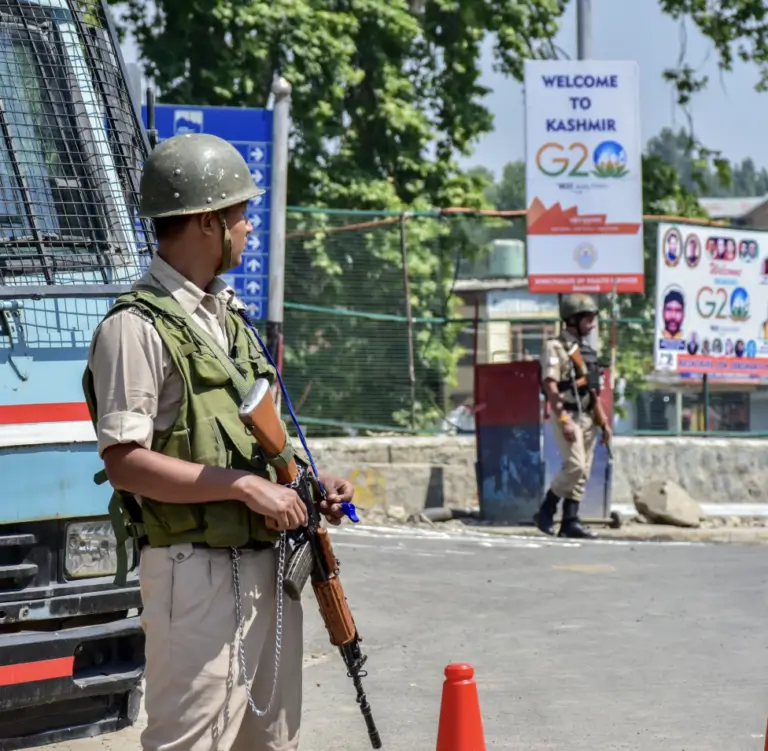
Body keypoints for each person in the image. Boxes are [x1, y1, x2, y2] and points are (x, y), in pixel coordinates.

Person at [82, 133, 354, 751]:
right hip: (195, 574)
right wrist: (245, 488)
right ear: (208, 222)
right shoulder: (135, 327)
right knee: (191, 743)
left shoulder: (228, 319)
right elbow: (124, 462)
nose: (249, 227)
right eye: (239, 214)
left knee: (270, 740)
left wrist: (307, 487)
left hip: (268, 567)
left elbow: (252, 442)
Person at [534, 293, 611, 539]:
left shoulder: (587, 352)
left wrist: (604, 423)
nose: (592, 324)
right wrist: (564, 420)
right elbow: (550, 385)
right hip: (566, 413)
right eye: (588, 319)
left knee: (583, 471)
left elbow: (593, 391)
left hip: (588, 416)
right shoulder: (554, 347)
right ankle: (546, 510)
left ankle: (570, 521)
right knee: (575, 466)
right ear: (572, 319)